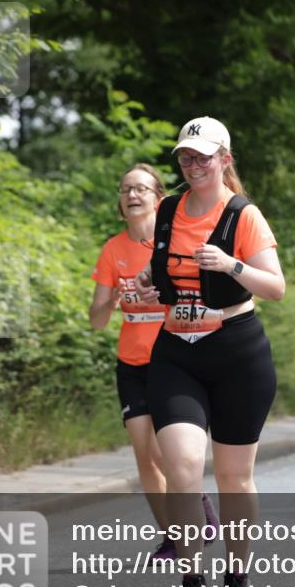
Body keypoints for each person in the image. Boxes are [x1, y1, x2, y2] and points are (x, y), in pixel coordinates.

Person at [135, 117, 285, 587]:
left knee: (234, 480)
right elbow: (159, 273)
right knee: (179, 467)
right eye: (185, 157)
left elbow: (275, 287)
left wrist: (230, 265)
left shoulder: (244, 215)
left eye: (203, 156)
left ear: (225, 159)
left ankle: (238, 575)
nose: (193, 165)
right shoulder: (168, 210)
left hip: (238, 355)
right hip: (177, 353)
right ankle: (191, 580)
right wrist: (149, 289)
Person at [90, 165, 218, 562]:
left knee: (167, 454)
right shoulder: (113, 249)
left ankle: (198, 508)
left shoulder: (169, 243)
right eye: (126, 188)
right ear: (120, 201)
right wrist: (108, 302)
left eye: (141, 188)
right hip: (131, 362)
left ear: (158, 197)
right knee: (144, 454)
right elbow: (96, 320)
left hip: (172, 355)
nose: (132, 195)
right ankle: (172, 536)